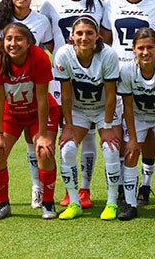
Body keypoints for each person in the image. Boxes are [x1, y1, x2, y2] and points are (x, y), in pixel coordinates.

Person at [102, 0, 155, 208]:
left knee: (148, 135)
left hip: (147, 72)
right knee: (123, 134)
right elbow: (104, 39)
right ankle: (124, 186)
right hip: (118, 75)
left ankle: (145, 184)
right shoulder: (110, 5)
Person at [40, 0, 109, 209]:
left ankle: (85, 190)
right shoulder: (50, 5)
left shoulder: (100, 4)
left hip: (93, 80)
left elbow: (107, 38)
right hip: (63, 80)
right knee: (66, 133)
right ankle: (68, 190)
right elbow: (48, 39)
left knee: (89, 133)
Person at [0, 0, 54, 211]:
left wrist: (44, 133)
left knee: (38, 146)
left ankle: (40, 192)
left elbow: (50, 49)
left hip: (34, 97)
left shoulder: (42, 23)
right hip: (7, 97)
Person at [53, 15, 121, 220]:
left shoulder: (108, 54)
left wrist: (107, 125)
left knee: (111, 149)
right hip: (79, 109)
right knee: (67, 149)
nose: (84, 37)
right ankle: (74, 202)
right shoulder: (63, 54)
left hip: (104, 109)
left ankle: (112, 203)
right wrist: (68, 125)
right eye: (79, 33)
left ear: (97, 35)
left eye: (89, 33)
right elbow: (65, 94)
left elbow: (110, 94)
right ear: (72, 36)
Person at [117, 28, 155, 220]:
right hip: (137, 116)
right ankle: (130, 204)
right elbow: (127, 106)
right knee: (131, 152)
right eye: (141, 48)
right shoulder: (127, 70)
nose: (146, 52)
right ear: (133, 48)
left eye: (150, 47)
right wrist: (133, 139)